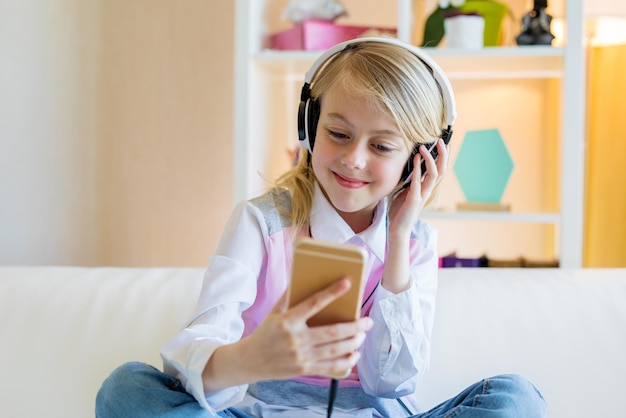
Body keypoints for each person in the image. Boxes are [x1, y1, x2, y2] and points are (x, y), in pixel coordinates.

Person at [96, 37, 546, 417]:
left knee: (515, 399)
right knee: (127, 389)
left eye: (383, 145)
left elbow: (390, 382)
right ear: (309, 126)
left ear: (419, 158)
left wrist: (397, 238)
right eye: (339, 134)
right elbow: (196, 353)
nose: (354, 159)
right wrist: (251, 358)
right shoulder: (262, 222)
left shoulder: (415, 244)